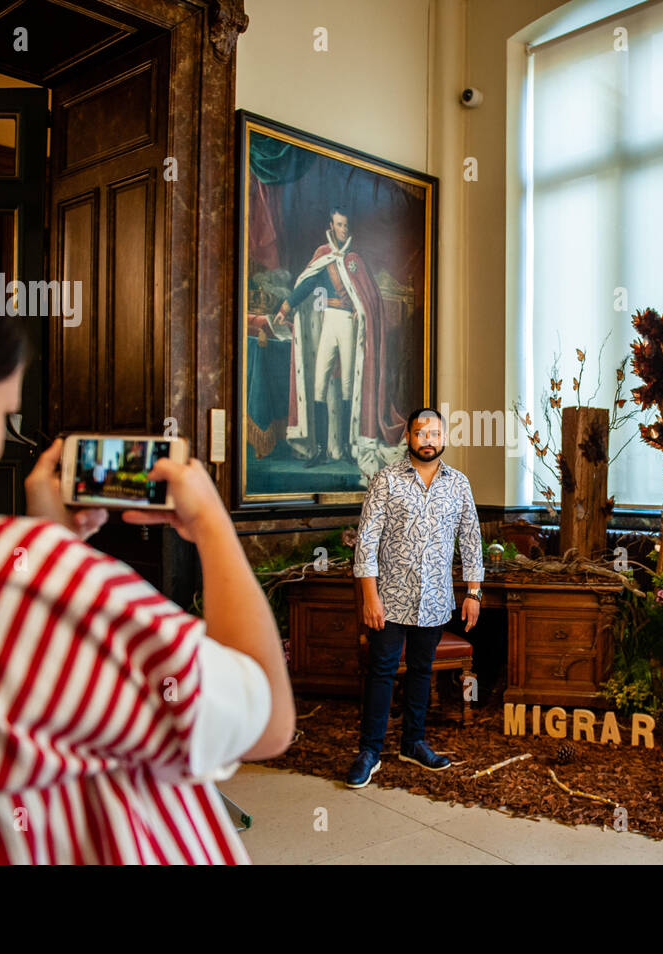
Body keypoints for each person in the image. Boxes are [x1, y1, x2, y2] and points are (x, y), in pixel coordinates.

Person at [0, 223, 295, 864]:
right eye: (4, 414)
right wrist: (211, 522)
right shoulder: (23, 585)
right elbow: (265, 717)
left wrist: (39, 547)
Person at [347, 408, 483, 788]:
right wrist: (369, 597)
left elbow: (471, 540)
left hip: (437, 600)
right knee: (382, 672)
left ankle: (413, 742)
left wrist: (473, 592)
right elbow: (367, 542)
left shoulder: (459, 484)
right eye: (421, 432)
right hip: (388, 599)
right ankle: (370, 750)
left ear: (444, 437)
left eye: (435, 433)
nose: (428, 439)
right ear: (408, 436)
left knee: (422, 673)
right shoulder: (386, 480)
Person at [272, 207, 406, 475]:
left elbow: (368, 297)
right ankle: (321, 450)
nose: (342, 229)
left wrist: (361, 308)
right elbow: (306, 286)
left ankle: (344, 447)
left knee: (346, 386)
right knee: (319, 384)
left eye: (345, 225)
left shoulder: (355, 259)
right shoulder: (323, 256)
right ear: (331, 226)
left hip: (347, 323)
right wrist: (285, 307)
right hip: (328, 323)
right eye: (338, 225)